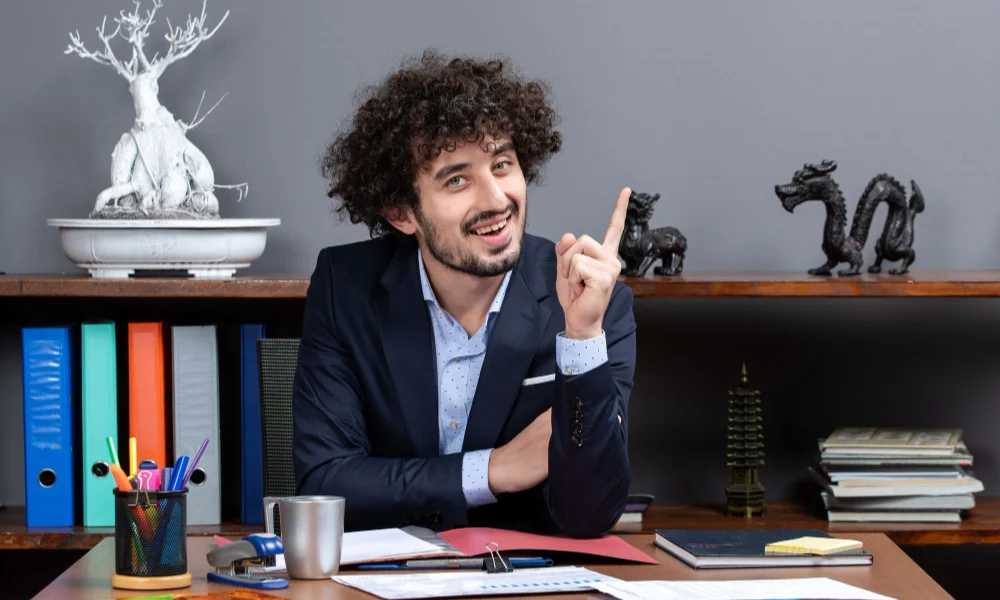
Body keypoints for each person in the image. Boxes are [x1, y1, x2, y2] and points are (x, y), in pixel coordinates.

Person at [292, 50, 637, 538]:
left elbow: (590, 515)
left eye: (502, 164)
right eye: (457, 179)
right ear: (400, 213)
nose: (495, 200)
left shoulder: (593, 301)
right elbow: (325, 485)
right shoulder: (343, 285)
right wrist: (492, 469)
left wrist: (581, 337)